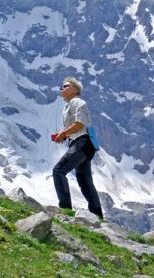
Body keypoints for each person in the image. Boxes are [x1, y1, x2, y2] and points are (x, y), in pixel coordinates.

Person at [51, 77, 104, 219]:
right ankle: (97, 215)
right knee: (85, 181)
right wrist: (64, 135)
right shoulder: (69, 105)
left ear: (74, 90)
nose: (61, 89)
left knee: (58, 171)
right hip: (83, 144)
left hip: (82, 142)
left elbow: (80, 124)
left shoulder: (77, 102)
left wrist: (64, 133)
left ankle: (66, 209)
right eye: (61, 87)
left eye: (65, 86)